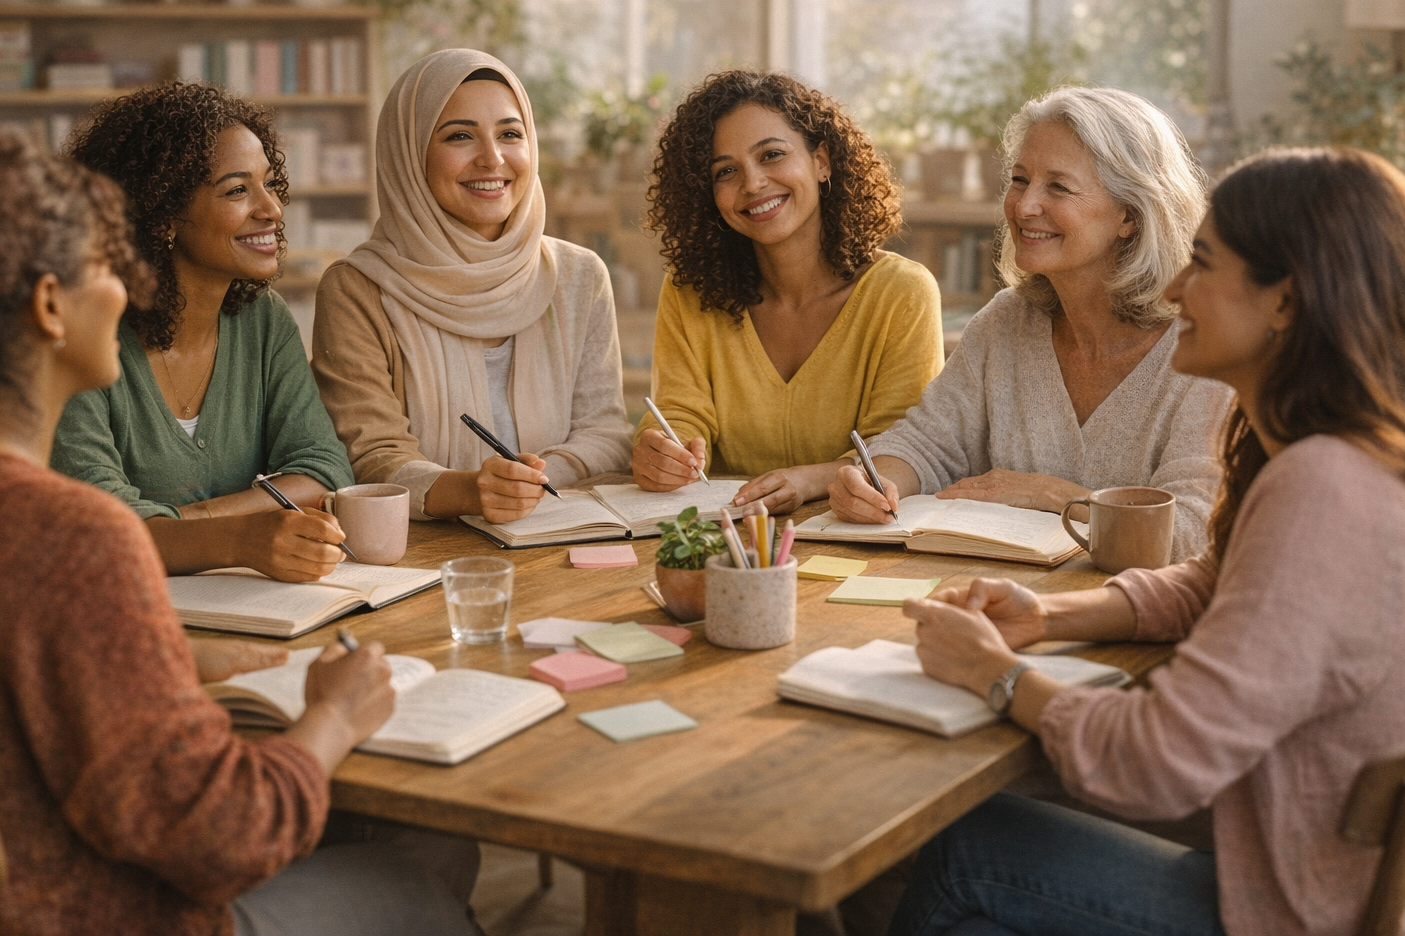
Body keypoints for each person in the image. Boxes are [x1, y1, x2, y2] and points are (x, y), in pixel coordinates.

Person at [0, 113, 479, 935]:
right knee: (430, 869)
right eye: (106, 264)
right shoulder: (77, 537)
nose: (129, 284)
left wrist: (168, 659)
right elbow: (228, 839)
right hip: (105, 919)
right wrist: (335, 715)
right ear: (49, 306)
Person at [892, 146, 1405, 936]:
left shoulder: (1322, 489)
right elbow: (1214, 581)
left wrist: (994, 673)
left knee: (961, 849)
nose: (1173, 287)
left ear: (1285, 301)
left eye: (1204, 263)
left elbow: (1154, 763)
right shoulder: (1335, 454)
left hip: (1288, 909)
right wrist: (1050, 615)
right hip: (1283, 865)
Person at [829, 87, 1231, 562]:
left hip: (1133, 608)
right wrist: (875, 480)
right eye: (1020, 180)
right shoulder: (1005, 322)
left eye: (1058, 187)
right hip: (1000, 594)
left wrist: (1052, 496)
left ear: (1129, 215)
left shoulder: (1204, 349)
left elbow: (1192, 533)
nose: (1024, 206)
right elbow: (926, 443)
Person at [52, 82, 355, 582]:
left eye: (268, 184)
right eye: (237, 190)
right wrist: (239, 537)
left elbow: (323, 471)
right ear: (162, 213)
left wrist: (187, 526)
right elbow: (104, 528)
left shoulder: (263, 319)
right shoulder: (85, 337)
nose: (272, 209)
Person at [312, 49, 630, 523]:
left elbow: (606, 435)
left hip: (561, 542)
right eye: (459, 136)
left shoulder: (580, 276)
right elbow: (371, 457)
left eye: (510, 134)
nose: (492, 158)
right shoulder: (356, 290)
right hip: (423, 555)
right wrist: (470, 491)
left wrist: (530, 483)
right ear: (409, 155)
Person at [633, 70, 944, 514]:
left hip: (854, 537)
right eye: (726, 171)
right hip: (727, 537)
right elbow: (679, 415)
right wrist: (666, 451)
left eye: (772, 155)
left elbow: (902, 448)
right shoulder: (691, 292)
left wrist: (810, 480)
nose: (753, 183)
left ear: (822, 161)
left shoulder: (901, 293)